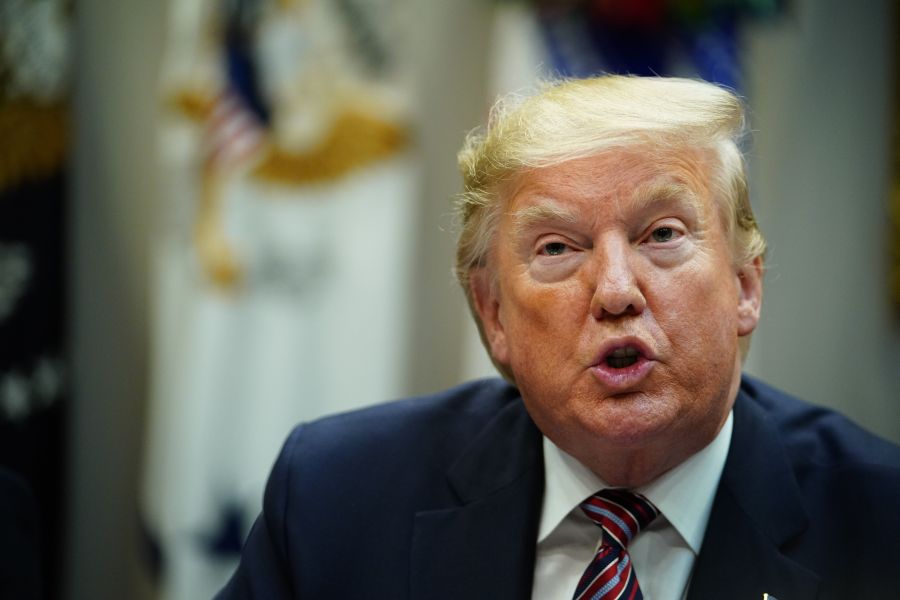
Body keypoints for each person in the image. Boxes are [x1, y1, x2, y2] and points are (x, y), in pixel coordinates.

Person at [218, 75, 900, 599]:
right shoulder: (335, 499)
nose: (614, 291)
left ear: (746, 286)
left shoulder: (883, 521)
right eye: (556, 247)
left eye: (661, 235)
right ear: (492, 314)